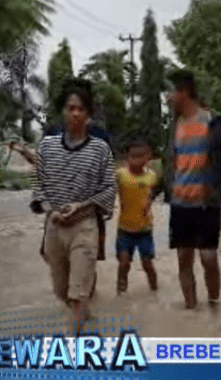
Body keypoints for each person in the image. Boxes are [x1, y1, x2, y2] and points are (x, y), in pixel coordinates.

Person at [166, 70, 221, 309]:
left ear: (184, 91)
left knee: (208, 258)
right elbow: (170, 166)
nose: (168, 97)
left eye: (171, 91)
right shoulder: (174, 126)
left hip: (207, 203)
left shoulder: (214, 123)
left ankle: (214, 305)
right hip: (180, 204)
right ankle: (192, 315)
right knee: (183, 260)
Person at [30, 79, 116, 334]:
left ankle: (72, 348)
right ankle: (82, 310)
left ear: (89, 114)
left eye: (81, 108)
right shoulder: (47, 145)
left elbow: (109, 189)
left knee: (77, 292)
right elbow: (39, 185)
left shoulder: (100, 148)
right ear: (64, 112)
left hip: (84, 225)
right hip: (55, 225)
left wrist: (82, 206)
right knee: (61, 290)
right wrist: (50, 209)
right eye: (71, 108)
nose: (76, 113)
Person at [115, 136, 164, 295]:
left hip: (145, 229)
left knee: (147, 263)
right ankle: (121, 291)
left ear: (148, 157)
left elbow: (157, 191)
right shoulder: (120, 175)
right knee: (123, 263)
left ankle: (154, 289)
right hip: (124, 229)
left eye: (140, 156)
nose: (135, 160)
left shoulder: (152, 177)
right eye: (132, 156)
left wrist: (150, 200)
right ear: (127, 157)